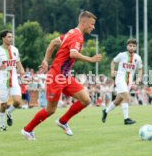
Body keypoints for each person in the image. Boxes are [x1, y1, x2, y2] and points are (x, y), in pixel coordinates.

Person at [21, 11, 101, 140]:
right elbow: (73, 54)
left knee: (85, 100)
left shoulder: (71, 32)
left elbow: (53, 42)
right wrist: (90, 59)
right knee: (50, 110)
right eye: (92, 24)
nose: (93, 27)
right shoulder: (77, 36)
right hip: (56, 76)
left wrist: (46, 60)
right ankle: (27, 130)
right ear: (84, 22)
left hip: (65, 76)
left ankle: (63, 121)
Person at [0, 30, 26, 131]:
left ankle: (9, 113)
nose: (11, 39)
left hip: (14, 79)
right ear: (3, 38)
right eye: (9, 37)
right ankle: (2, 125)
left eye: (11, 37)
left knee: (18, 101)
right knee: (3, 104)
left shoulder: (15, 50)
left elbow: (18, 63)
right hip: (2, 81)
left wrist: (23, 74)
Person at [102, 38, 142, 125]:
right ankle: (126, 119)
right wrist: (112, 71)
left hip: (129, 81)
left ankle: (105, 111)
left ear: (136, 48)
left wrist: (138, 79)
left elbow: (140, 69)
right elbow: (113, 62)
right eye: (130, 46)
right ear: (127, 46)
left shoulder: (138, 58)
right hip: (120, 79)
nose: (131, 48)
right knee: (126, 97)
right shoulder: (121, 55)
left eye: (134, 46)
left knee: (118, 100)